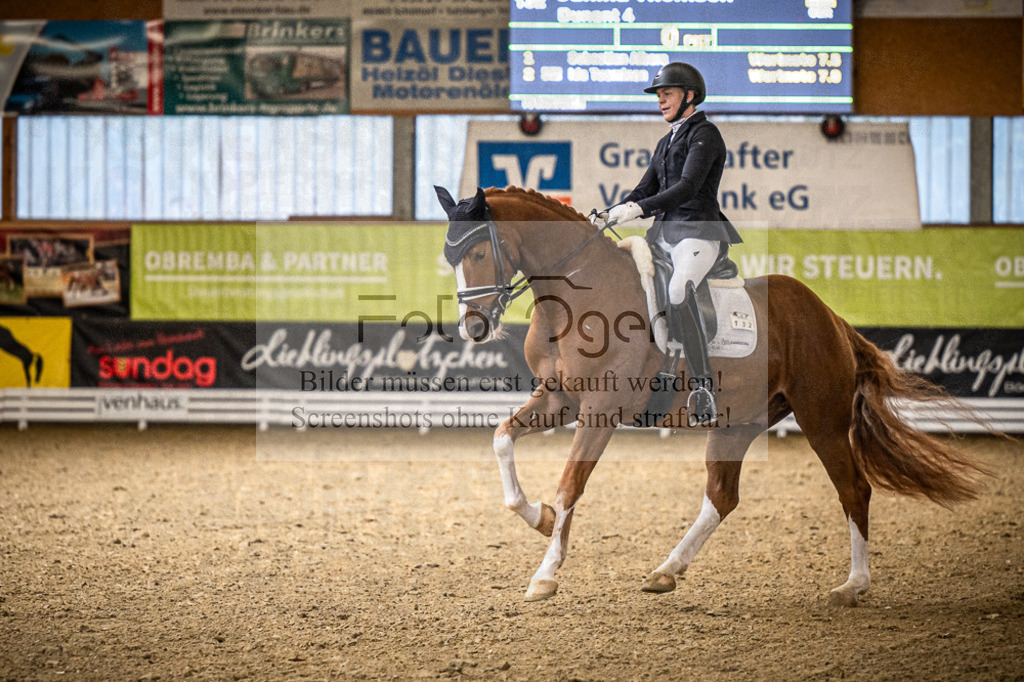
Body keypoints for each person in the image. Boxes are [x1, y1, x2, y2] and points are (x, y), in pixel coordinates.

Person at [594, 62, 741, 418]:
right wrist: (609, 213)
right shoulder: (666, 141)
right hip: (664, 236)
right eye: (659, 95)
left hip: (700, 232)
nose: (661, 101)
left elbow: (687, 187)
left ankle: (703, 387)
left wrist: (639, 209)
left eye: (668, 94)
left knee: (678, 290)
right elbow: (644, 188)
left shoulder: (705, 135)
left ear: (689, 96)